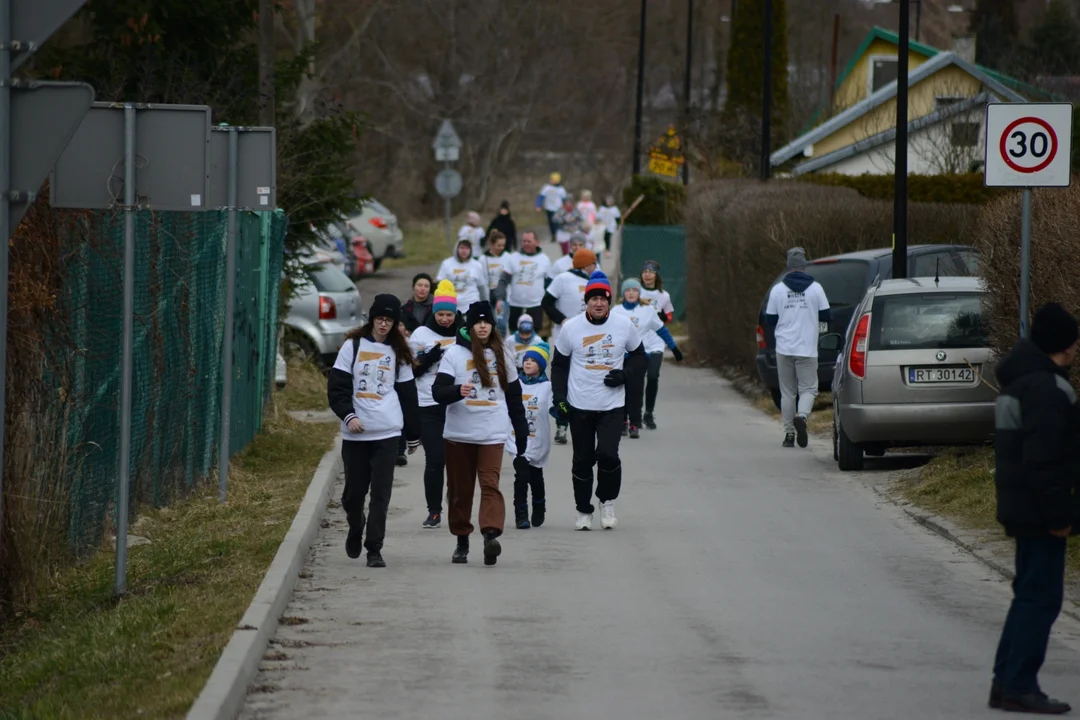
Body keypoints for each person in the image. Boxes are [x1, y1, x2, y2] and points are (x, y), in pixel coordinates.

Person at [989, 302, 1079, 716]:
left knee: (1027, 594)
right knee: (1040, 599)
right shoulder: (1046, 388)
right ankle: (1020, 685)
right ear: (1064, 345)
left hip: (1020, 504)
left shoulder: (1018, 381)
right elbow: (1046, 461)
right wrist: (1061, 516)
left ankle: (1005, 680)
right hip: (1041, 511)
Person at [327, 294, 421, 568]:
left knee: (381, 494)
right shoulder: (352, 346)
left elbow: (407, 394)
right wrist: (348, 415)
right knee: (353, 495)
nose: (383, 324)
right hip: (356, 432)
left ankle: (374, 548)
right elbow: (337, 387)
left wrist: (413, 434)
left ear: (395, 323)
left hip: (387, 433)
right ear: (372, 318)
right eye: (380, 319)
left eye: (389, 320)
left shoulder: (400, 352)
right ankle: (356, 526)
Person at [432, 301, 528, 566]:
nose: (483, 326)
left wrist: (521, 434)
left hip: (492, 434)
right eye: (478, 322)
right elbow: (437, 392)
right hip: (459, 435)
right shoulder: (454, 354)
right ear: (469, 326)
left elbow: (515, 398)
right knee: (460, 492)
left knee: (490, 485)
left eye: (487, 322)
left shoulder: (504, 355)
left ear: (493, 326)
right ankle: (462, 541)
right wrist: (456, 391)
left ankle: (490, 537)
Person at [551, 270, 646, 531]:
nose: (598, 303)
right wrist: (559, 398)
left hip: (611, 406)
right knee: (582, 459)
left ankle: (607, 502)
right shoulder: (571, 328)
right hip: (579, 404)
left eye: (603, 298)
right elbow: (558, 365)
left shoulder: (623, 325)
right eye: (593, 298)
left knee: (608, 455)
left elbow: (640, 357)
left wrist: (624, 376)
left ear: (609, 301)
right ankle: (583, 510)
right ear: (587, 301)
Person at [408, 281, 463, 529]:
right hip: (428, 403)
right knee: (435, 459)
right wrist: (429, 358)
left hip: (457, 404)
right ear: (433, 312)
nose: (444, 319)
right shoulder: (421, 335)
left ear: (455, 314)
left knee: (457, 460)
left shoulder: (464, 334)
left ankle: (456, 498)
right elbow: (409, 371)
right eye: (440, 314)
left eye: (449, 315)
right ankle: (434, 511)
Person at [764, 247, 830, 449]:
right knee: (809, 388)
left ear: (788, 267)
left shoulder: (778, 290)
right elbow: (827, 316)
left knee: (787, 392)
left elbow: (770, 319)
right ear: (804, 266)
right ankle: (802, 416)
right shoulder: (816, 289)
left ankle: (789, 435)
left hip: (784, 348)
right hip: (807, 348)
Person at [612, 278, 683, 437]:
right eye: (628, 290)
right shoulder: (616, 311)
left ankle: (635, 423)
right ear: (624, 293)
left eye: (635, 290)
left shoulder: (648, 310)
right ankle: (623, 421)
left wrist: (674, 348)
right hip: (621, 355)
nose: (631, 293)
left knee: (636, 389)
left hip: (639, 355)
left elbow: (661, 329)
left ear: (639, 293)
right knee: (621, 388)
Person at [543, 248, 598, 446]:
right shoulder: (563, 279)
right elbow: (546, 303)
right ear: (586, 264)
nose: (596, 266)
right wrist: (562, 319)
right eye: (594, 263)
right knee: (563, 381)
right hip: (564, 337)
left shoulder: (595, 282)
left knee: (584, 379)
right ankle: (561, 425)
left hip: (588, 340)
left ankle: (586, 420)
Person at [508, 341, 552, 530]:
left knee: (536, 476)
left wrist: (564, 412)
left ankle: (539, 506)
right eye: (526, 360)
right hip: (517, 438)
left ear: (541, 366)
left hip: (538, 437)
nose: (527, 364)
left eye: (533, 361)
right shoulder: (514, 384)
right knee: (521, 474)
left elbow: (557, 407)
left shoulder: (547, 387)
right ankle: (521, 514)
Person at [495, 230, 552, 333]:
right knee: (515, 334)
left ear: (536, 242)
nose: (525, 244)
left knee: (535, 335)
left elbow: (549, 284)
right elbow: (503, 280)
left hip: (536, 305)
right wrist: (499, 298)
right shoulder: (513, 258)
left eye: (528, 241)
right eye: (523, 241)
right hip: (515, 305)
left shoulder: (544, 259)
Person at [436, 238, 488, 313]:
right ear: (457, 248)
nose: (464, 251)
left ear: (471, 250)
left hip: (471, 305)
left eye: (467, 248)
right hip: (450, 306)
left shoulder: (477, 265)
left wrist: (485, 305)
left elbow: (482, 287)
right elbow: (439, 285)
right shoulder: (446, 263)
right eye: (462, 248)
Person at [482, 230, 511, 336]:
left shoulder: (508, 257)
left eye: (503, 245)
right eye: (498, 245)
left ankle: (502, 346)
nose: (501, 248)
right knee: (492, 325)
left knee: (501, 324)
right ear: (491, 244)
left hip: (503, 295)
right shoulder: (483, 259)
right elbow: (482, 279)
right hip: (489, 295)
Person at [639, 260, 675, 324]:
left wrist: (663, 318)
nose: (647, 275)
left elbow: (669, 317)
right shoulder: (635, 292)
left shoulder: (664, 295)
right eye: (644, 271)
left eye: (651, 272)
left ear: (656, 275)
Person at [535, 172, 567, 243]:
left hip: (558, 208)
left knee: (557, 222)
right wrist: (538, 205)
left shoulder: (561, 189)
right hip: (549, 208)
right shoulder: (546, 188)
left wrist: (566, 208)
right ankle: (553, 235)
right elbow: (541, 197)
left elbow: (564, 199)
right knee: (551, 222)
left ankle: (558, 235)